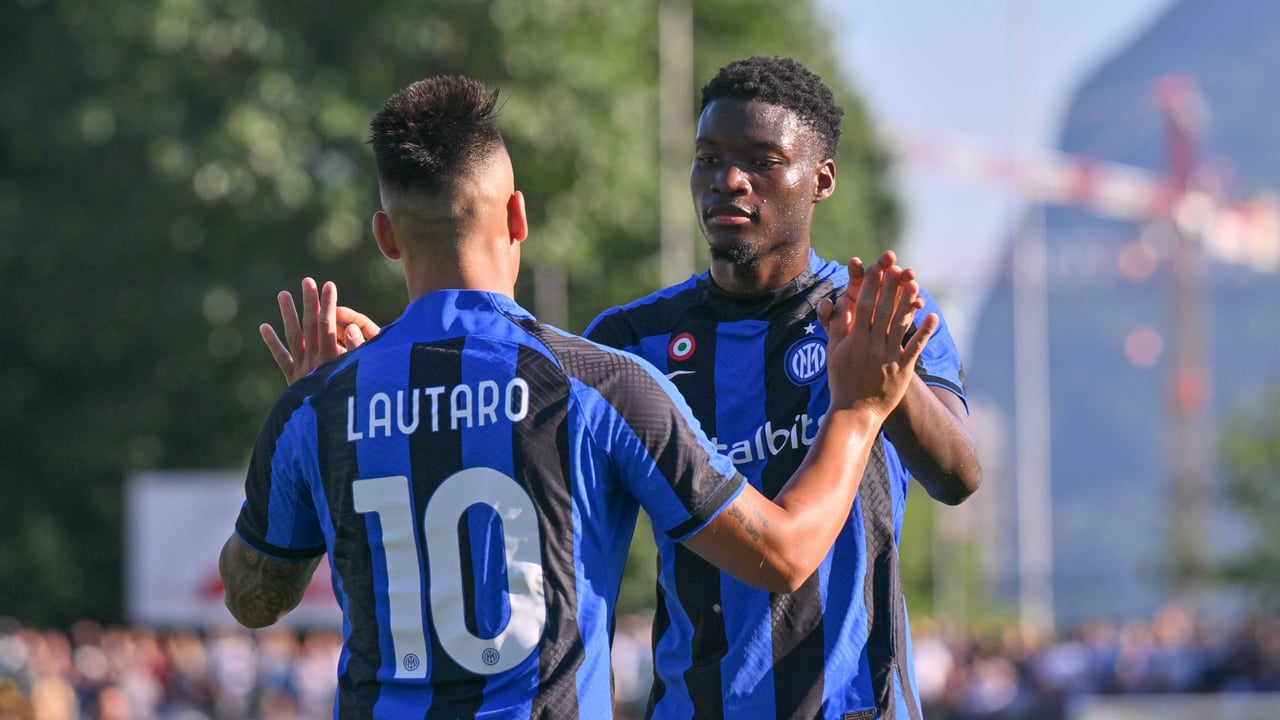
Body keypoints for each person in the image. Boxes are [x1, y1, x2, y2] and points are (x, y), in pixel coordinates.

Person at [220, 74, 938, 718]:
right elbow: (782, 555)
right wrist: (857, 410)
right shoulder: (601, 386)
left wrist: (336, 408)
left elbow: (253, 598)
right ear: (517, 218)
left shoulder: (318, 407)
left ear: (385, 236)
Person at [582, 56, 982, 719]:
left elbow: (958, 476)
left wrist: (886, 382)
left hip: (858, 707)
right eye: (709, 159)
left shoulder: (882, 317)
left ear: (821, 179)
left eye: (761, 161)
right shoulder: (631, 341)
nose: (728, 180)